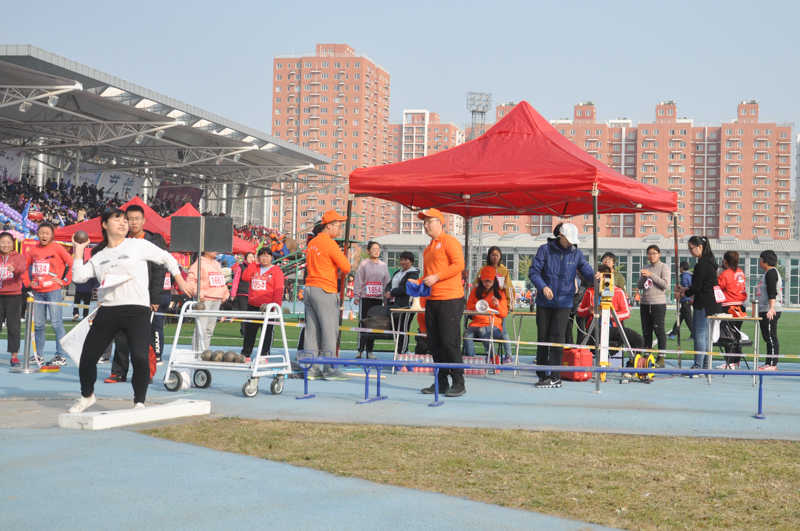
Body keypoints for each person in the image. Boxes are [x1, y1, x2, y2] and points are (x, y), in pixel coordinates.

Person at [68, 208, 190, 413]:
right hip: (108, 311)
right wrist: (79, 250)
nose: (124, 223)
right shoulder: (99, 255)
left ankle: (139, 402)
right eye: (118, 220)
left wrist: (180, 280)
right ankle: (87, 396)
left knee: (140, 358)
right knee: (87, 358)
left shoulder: (138, 245)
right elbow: (78, 277)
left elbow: (167, 258)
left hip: (137, 310)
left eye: (125, 220)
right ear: (105, 225)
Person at [105, 205, 170, 384]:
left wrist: (155, 298)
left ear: (143, 221)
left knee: (145, 337)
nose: (133, 222)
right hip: (123, 296)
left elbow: (159, 271)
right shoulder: (120, 241)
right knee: (121, 336)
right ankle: (118, 372)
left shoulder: (152, 241)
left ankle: (145, 373)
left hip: (145, 297)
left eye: (137, 218)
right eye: (129, 219)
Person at [529, 222, 594, 389]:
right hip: (544, 302)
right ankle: (542, 374)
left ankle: (555, 376)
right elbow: (533, 272)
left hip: (565, 302)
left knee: (557, 337)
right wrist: (543, 287)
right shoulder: (544, 250)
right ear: (561, 236)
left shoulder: (576, 253)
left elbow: (586, 270)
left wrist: (596, 276)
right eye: (569, 239)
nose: (571, 243)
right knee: (543, 337)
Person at [419, 208, 467, 397]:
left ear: (440, 223)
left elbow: (459, 265)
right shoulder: (428, 248)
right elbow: (427, 275)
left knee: (450, 342)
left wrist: (437, 277)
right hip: (432, 300)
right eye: (424, 222)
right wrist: (416, 281)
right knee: (435, 343)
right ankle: (441, 381)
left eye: (429, 221)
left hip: (450, 298)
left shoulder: (450, 241)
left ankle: (459, 382)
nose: (426, 225)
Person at [304, 210, 351, 380]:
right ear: (329, 225)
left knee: (312, 332)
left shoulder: (312, 243)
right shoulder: (330, 244)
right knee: (330, 331)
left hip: (309, 288)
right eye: (338, 225)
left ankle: (311, 370)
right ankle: (331, 370)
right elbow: (346, 267)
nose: (340, 229)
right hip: (325, 289)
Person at [577, 265, 645, 377]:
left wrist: (611, 315)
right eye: (600, 276)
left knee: (638, 339)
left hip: (615, 328)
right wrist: (588, 310)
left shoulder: (618, 292)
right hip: (595, 329)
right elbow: (579, 310)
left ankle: (631, 367)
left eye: (607, 276)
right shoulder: (590, 292)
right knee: (599, 334)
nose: (603, 279)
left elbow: (626, 312)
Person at [26, 222, 73, 366]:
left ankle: (60, 356)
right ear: (37, 234)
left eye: (47, 233)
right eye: (41, 233)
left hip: (53, 291)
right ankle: (38, 356)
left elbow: (72, 263)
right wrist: (28, 282)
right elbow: (24, 267)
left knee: (56, 324)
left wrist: (64, 281)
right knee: (38, 325)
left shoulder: (57, 247)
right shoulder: (33, 250)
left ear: (52, 235)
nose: (44, 235)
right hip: (38, 293)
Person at [676, 236, 722, 374]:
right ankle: (705, 365)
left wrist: (682, 294)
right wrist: (685, 289)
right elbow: (701, 285)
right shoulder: (710, 263)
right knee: (706, 335)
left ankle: (698, 366)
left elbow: (696, 288)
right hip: (712, 303)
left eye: (691, 248)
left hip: (703, 303)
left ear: (700, 247)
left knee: (699, 335)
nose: (690, 251)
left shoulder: (701, 265)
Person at [240, 248, 284, 359]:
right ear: (258, 257)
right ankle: (246, 354)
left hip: (268, 308)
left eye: (267, 256)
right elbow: (245, 277)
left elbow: (278, 290)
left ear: (271, 257)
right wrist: (253, 264)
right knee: (249, 332)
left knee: (267, 333)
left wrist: (275, 306)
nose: (265, 258)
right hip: (252, 306)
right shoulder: (255, 267)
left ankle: (264, 355)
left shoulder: (276, 271)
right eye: (262, 256)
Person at [473, 246, 515, 363]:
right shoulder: (483, 269)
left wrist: (509, 305)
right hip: (485, 306)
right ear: (489, 256)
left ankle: (509, 355)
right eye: (492, 255)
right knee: (484, 331)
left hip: (499, 305)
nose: (495, 257)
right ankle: (491, 355)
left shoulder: (504, 270)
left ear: (500, 256)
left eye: (497, 255)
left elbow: (509, 288)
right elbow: (476, 287)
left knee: (503, 332)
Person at [185, 251, 230, 352]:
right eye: (212, 248)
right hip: (205, 301)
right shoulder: (198, 264)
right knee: (201, 329)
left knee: (209, 330)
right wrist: (199, 294)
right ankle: (197, 353)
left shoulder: (217, 264)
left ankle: (204, 353)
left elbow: (222, 281)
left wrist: (226, 294)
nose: (215, 251)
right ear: (204, 250)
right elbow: (190, 281)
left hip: (217, 300)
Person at [352, 241, 390, 360]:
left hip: (378, 299)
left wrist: (386, 298)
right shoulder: (363, 264)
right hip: (366, 297)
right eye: (374, 249)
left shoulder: (383, 265)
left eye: (378, 249)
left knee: (374, 324)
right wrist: (357, 296)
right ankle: (360, 350)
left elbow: (386, 282)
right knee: (363, 323)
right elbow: (358, 281)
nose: (376, 251)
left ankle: (370, 351)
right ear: (368, 251)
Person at [636, 245, 669, 367]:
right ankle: (647, 354)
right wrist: (644, 276)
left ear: (659, 254)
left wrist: (651, 275)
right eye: (649, 253)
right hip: (645, 303)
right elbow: (639, 286)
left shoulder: (663, 267)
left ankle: (661, 357)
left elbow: (665, 284)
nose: (652, 256)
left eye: (654, 253)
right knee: (646, 331)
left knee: (659, 330)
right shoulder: (646, 267)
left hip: (658, 303)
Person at [464, 267, 508, 358]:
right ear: (481, 280)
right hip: (476, 324)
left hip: (494, 326)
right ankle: (472, 359)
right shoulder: (475, 291)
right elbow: (468, 308)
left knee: (482, 331)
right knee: (466, 334)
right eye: (485, 281)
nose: (487, 283)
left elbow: (504, 314)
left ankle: (493, 356)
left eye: (489, 281)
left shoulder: (500, 293)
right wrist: (477, 306)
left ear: (494, 280)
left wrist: (498, 306)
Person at [716, 251, 747, 369]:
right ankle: (736, 361)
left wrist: (718, 274)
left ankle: (730, 362)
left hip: (729, 306)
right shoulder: (740, 272)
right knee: (736, 333)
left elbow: (717, 286)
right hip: (741, 306)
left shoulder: (725, 274)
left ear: (725, 261)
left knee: (728, 334)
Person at [385, 250, 419, 355]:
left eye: (406, 260)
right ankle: (398, 350)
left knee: (403, 328)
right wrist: (388, 291)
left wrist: (392, 292)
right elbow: (389, 284)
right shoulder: (397, 273)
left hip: (406, 305)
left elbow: (406, 288)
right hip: (394, 304)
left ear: (411, 262)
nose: (403, 262)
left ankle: (403, 351)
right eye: (402, 260)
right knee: (396, 329)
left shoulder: (413, 274)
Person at [0, 232, 25, 367]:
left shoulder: (18, 257)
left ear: (13, 244)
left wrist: (14, 268)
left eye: (9, 242)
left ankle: (14, 356)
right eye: (2, 242)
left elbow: (23, 268)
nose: (6, 245)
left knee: (14, 326)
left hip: (14, 296)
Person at [756, 250, 782, 370]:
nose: (759, 261)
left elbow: (772, 291)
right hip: (765, 308)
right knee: (767, 337)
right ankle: (768, 362)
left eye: (761, 259)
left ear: (766, 260)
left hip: (770, 309)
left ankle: (772, 364)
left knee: (771, 337)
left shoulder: (771, 272)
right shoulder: (768, 273)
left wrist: (771, 308)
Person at [231, 252, 256, 336]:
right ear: (245, 258)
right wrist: (233, 293)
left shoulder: (256, 267)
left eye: (252, 257)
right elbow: (236, 280)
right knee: (244, 313)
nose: (251, 259)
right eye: (249, 257)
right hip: (242, 293)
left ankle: (250, 332)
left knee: (252, 314)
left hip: (253, 294)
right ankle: (244, 331)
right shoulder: (241, 267)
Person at [667, 261, 694, 340]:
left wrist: (679, 292)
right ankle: (673, 333)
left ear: (682, 268)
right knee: (680, 317)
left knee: (688, 318)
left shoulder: (685, 275)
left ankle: (694, 335)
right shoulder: (689, 275)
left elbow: (685, 288)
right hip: (687, 299)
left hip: (686, 299)